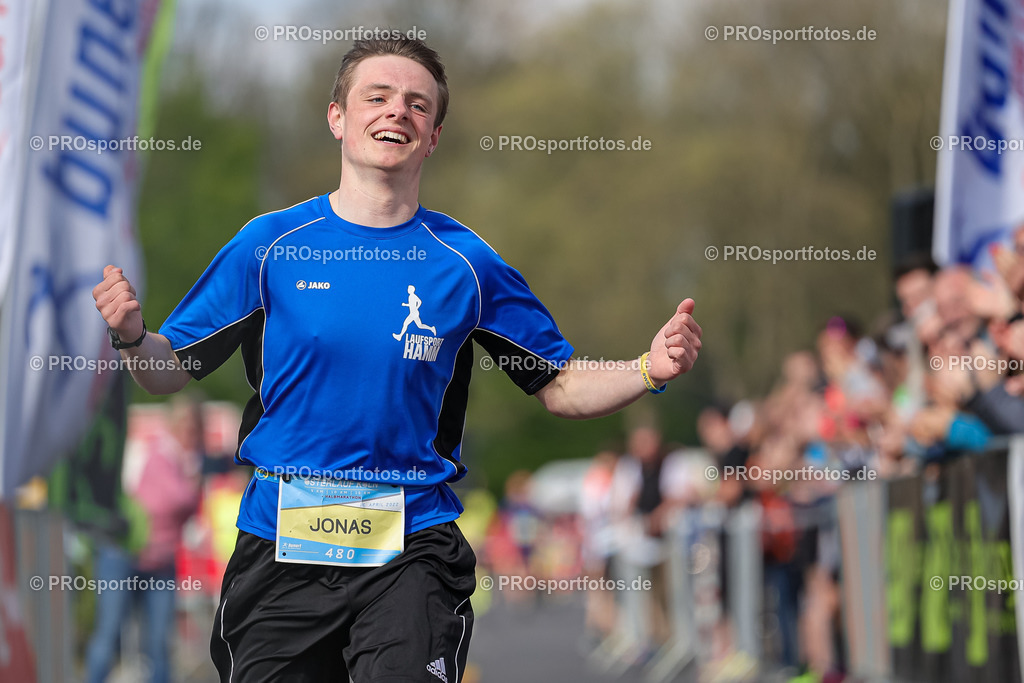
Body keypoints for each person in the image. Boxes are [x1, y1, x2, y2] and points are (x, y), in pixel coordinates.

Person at [92, 37, 702, 683]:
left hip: (412, 545)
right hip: (282, 543)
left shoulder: (467, 263)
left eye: (417, 104)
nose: (396, 112)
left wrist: (646, 368)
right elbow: (167, 370)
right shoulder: (269, 246)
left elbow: (560, 384)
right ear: (337, 118)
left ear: (432, 136)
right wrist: (131, 336)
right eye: (377, 97)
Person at [85, 395, 203, 683]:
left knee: (159, 644)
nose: (189, 431)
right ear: (175, 423)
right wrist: (191, 490)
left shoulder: (188, 461)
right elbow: (171, 501)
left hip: (160, 560)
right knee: (109, 635)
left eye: (194, 426)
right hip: (122, 553)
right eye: (185, 424)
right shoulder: (160, 451)